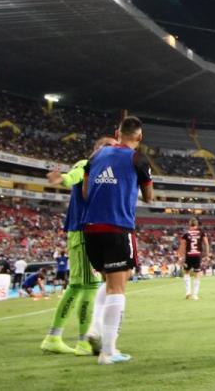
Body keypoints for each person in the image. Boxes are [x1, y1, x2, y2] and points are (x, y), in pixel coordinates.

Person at [81, 117, 153, 364]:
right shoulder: (138, 158)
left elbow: (85, 191)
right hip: (118, 227)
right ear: (139, 137)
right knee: (118, 288)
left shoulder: (96, 155)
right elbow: (150, 197)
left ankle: (95, 328)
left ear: (117, 132)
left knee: (110, 281)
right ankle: (108, 351)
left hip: (91, 228)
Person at [178, 218, 209, 300]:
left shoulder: (186, 234)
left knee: (186, 272)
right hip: (197, 255)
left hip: (189, 255)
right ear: (197, 225)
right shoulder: (202, 233)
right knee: (197, 274)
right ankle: (195, 295)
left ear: (189, 224)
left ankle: (188, 292)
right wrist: (207, 255)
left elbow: (182, 246)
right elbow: (206, 244)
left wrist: (181, 257)